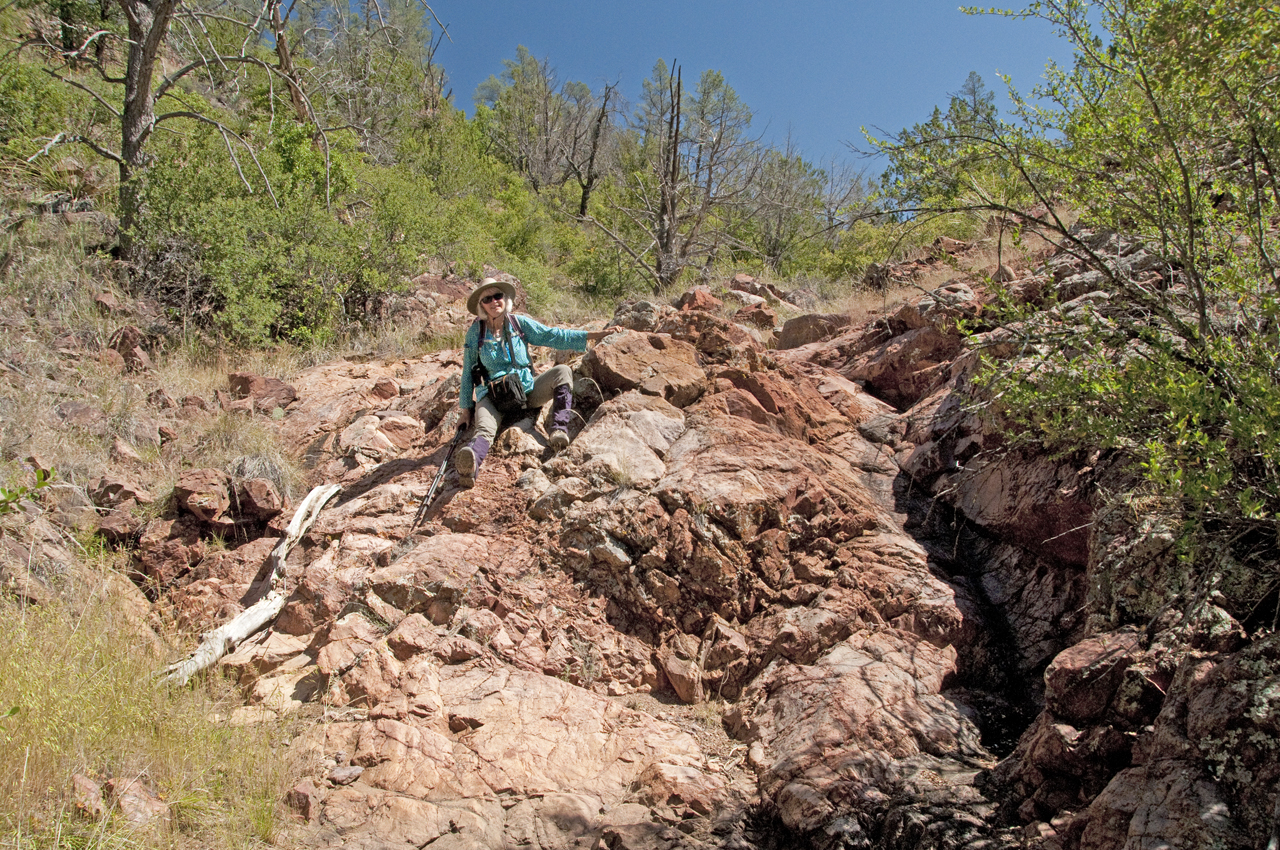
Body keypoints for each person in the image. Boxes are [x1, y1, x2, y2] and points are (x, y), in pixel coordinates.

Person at [455, 277, 621, 488]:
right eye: (487, 298)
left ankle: (559, 430)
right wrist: (465, 410)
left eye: (498, 296)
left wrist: (598, 335)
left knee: (562, 371)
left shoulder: (518, 323)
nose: (494, 301)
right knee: (485, 429)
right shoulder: (475, 333)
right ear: (482, 305)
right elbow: (468, 371)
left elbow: (553, 336)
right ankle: (470, 466)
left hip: (526, 391)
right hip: (493, 396)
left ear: (505, 299)